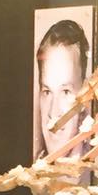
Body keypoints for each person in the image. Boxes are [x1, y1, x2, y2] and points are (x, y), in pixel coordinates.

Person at [35, 20, 91, 160]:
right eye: (47, 92)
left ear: (85, 94)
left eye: (66, 92)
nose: (53, 112)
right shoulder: (32, 175)